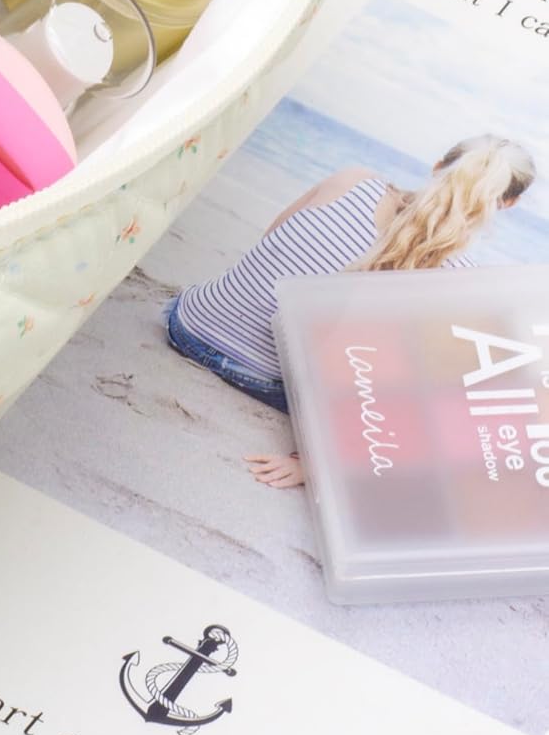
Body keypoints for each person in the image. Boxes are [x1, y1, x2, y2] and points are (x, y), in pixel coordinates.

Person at [163, 135, 537, 488]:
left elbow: (270, 241)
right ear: (508, 203)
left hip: (189, 324)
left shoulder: (353, 181)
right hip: (265, 380)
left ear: (438, 165)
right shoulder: (460, 280)